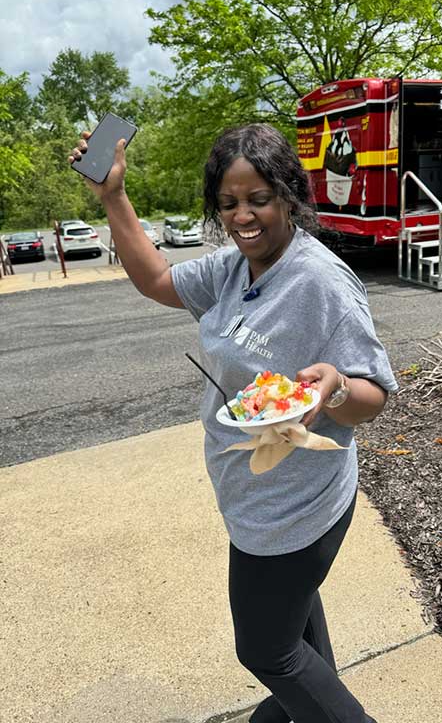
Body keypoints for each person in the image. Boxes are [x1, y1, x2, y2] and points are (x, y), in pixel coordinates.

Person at [68, 123, 397, 723]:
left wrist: (335, 388)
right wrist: (113, 197)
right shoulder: (232, 267)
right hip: (253, 492)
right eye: (228, 203)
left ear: (290, 197)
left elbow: (374, 395)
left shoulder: (321, 283)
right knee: (294, 629)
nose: (243, 216)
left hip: (293, 506)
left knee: (267, 650)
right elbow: (158, 280)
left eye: (258, 200)